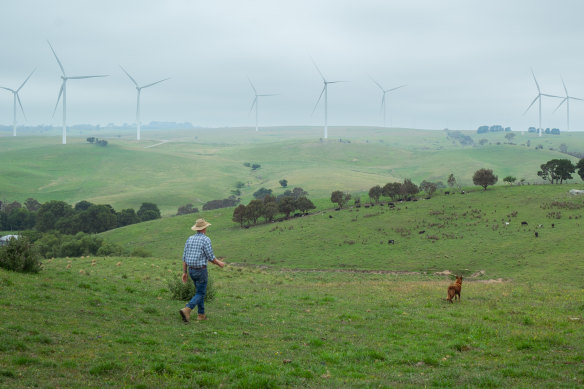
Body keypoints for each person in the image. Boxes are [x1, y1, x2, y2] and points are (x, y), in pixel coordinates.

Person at [179, 218, 225, 322]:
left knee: (198, 292)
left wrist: (184, 272)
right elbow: (210, 257)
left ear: (196, 229)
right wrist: (219, 263)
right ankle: (187, 309)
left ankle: (201, 315)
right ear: (204, 228)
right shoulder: (206, 239)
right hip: (201, 271)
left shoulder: (189, 239)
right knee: (201, 293)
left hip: (191, 270)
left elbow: (184, 257)